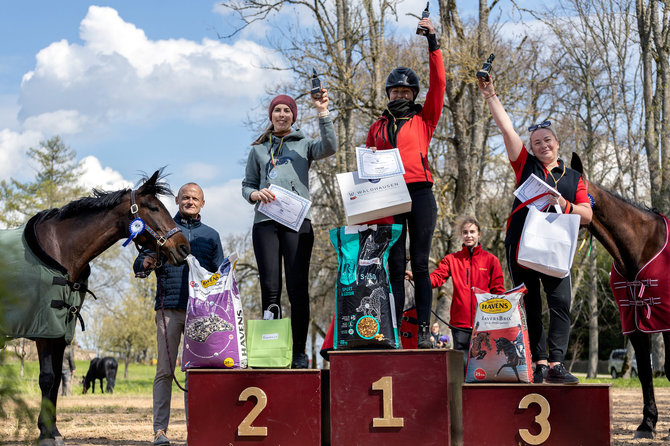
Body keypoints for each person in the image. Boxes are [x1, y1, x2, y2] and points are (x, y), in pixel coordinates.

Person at [478, 74, 592, 384]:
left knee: (560, 304)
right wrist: (491, 96)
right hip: (521, 245)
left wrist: (564, 204)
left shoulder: (573, 178)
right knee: (531, 303)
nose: (543, 146)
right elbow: (506, 128)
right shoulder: (524, 163)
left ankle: (557, 364)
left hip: (556, 249)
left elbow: (587, 215)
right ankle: (539, 362)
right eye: (537, 142)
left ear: (557, 144)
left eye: (548, 141)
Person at [365, 16, 446, 348]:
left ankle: (425, 332)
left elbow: (439, 83)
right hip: (389, 196)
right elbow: (367, 166)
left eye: (406, 90)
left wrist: (433, 42)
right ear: (388, 94)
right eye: (395, 90)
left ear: (413, 93)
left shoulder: (424, 119)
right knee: (394, 267)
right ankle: (395, 332)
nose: (400, 94)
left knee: (421, 264)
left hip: (420, 192)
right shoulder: (377, 126)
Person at [242, 90, 336, 368]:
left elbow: (330, 146)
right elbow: (247, 184)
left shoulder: (305, 144)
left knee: (297, 290)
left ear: (293, 116)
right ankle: (273, 351)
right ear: (270, 116)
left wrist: (322, 112)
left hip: (296, 223)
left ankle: (297, 353)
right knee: (270, 289)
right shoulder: (258, 150)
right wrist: (254, 195)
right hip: (265, 224)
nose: (282, 115)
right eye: (277, 110)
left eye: (287, 111)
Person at [134, 182, 224, 446]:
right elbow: (140, 264)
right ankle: (160, 431)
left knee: (195, 373)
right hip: (169, 309)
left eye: (195, 198)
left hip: (201, 313)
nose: (190, 201)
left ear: (202, 204)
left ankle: (195, 432)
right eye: (185, 197)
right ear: (177, 200)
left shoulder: (212, 236)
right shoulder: (161, 229)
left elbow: (219, 275)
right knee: (164, 371)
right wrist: (145, 263)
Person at [424, 217, 505, 357]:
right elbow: (436, 278)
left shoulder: (491, 260)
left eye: (472, 232)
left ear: (479, 234)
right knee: (463, 365)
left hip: (484, 322)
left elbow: (498, 292)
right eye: (465, 232)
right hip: (459, 323)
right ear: (461, 235)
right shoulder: (452, 259)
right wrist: (418, 278)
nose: (469, 235)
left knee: (482, 365)